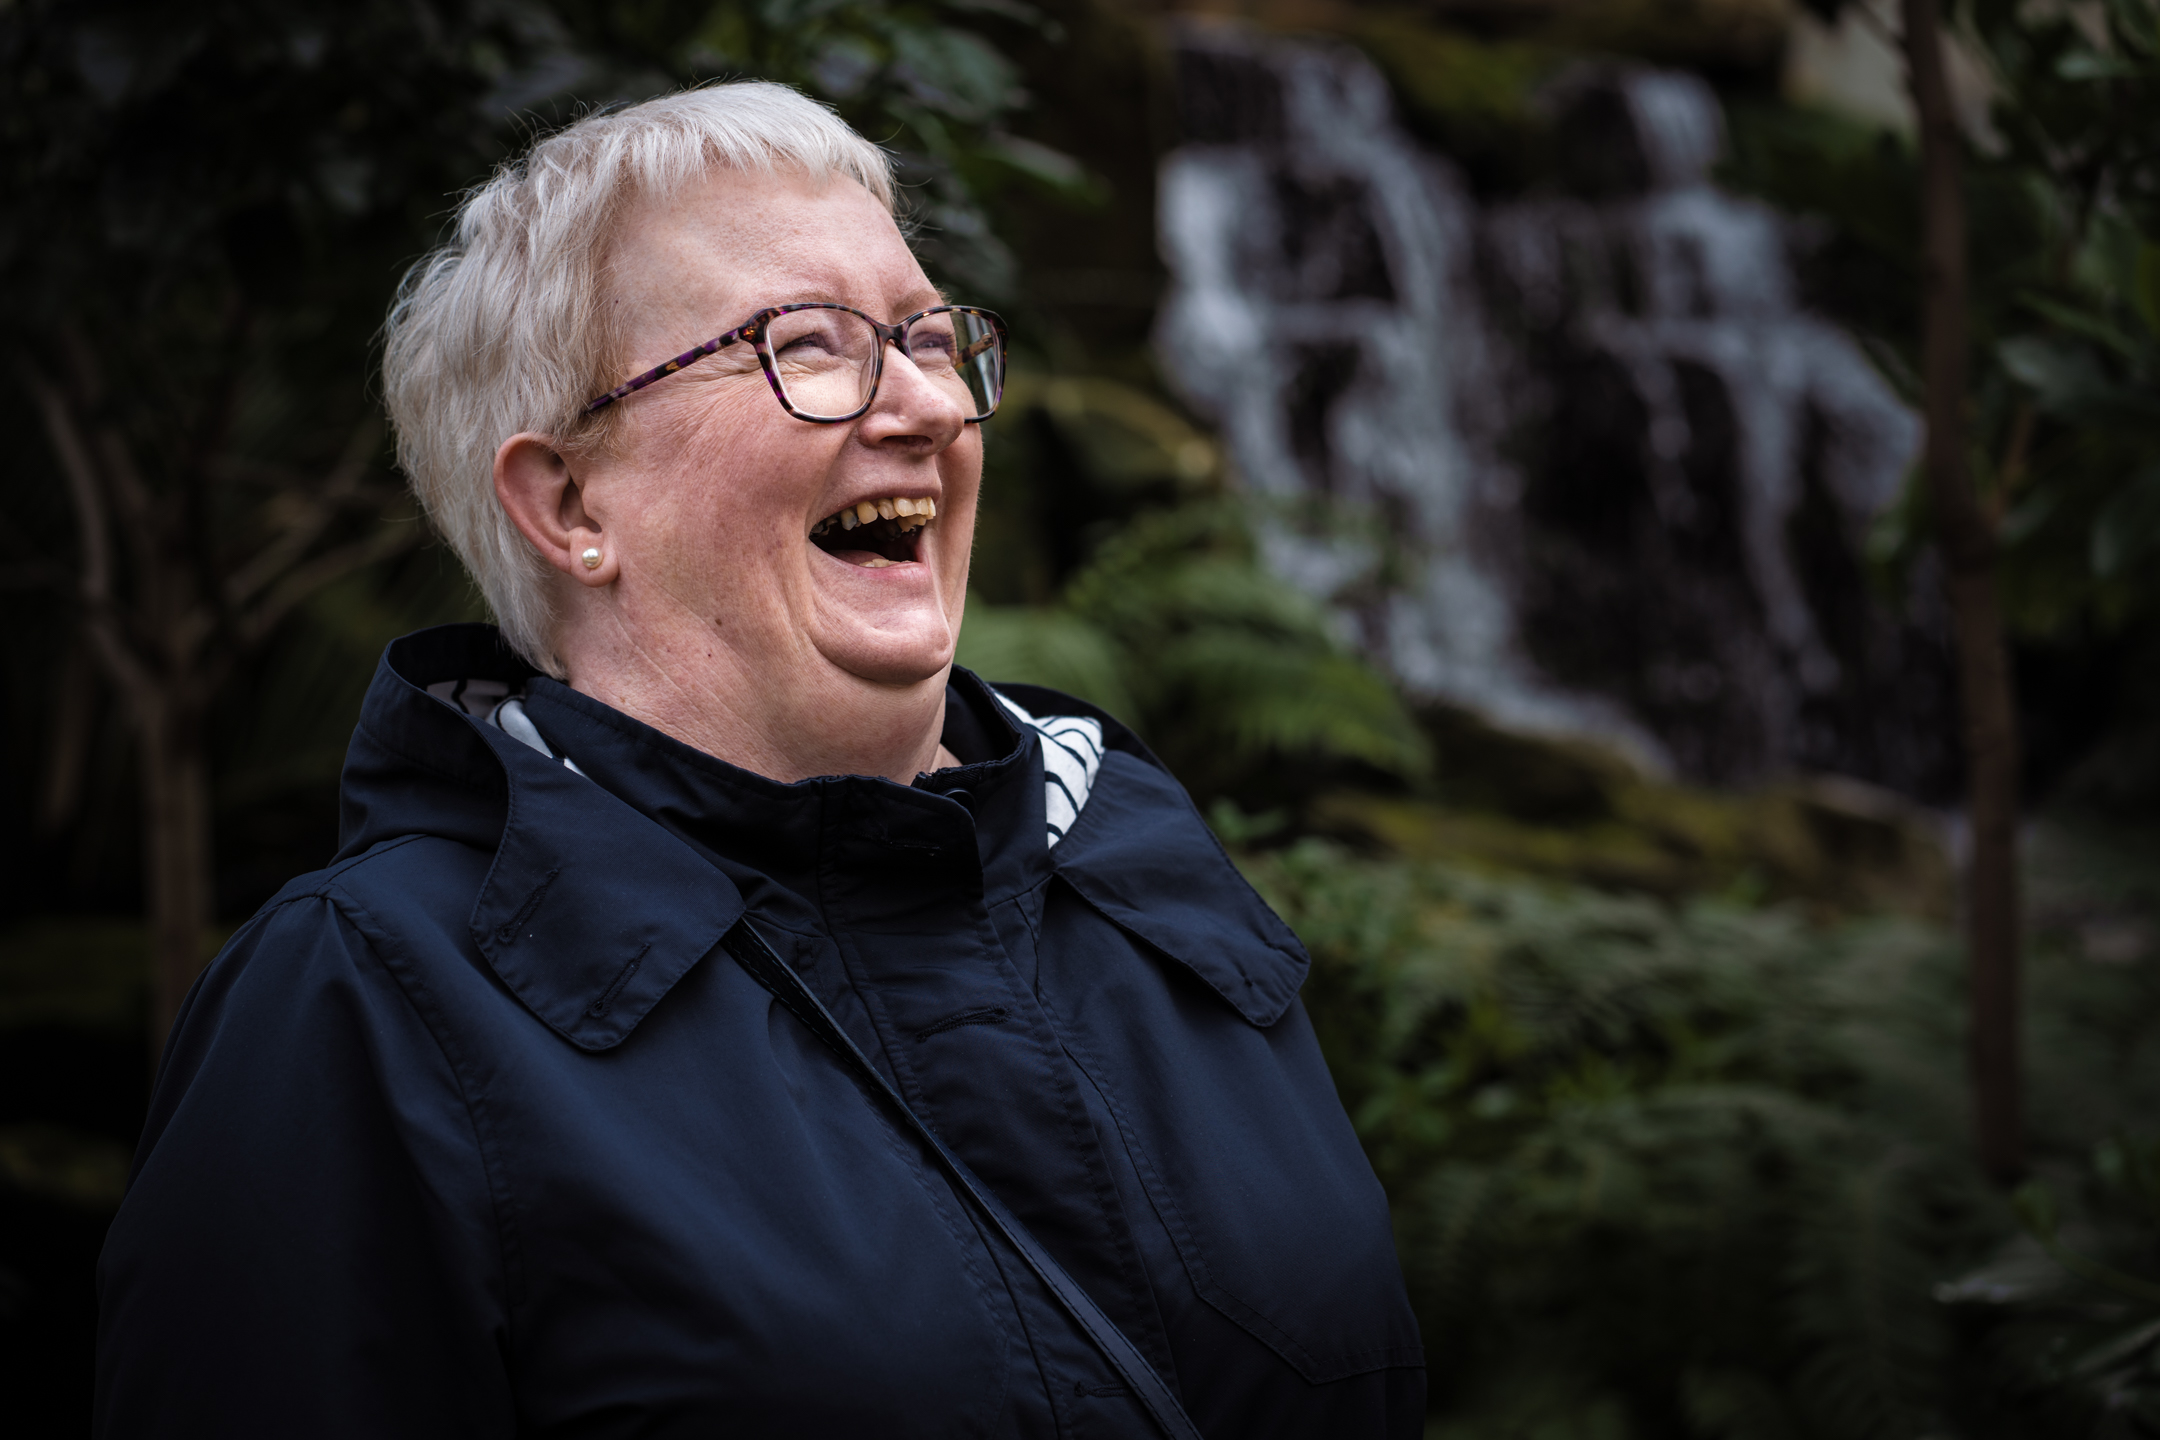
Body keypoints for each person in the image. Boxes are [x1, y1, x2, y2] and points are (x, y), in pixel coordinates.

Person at [94, 82, 1423, 1438]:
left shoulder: (1141, 878)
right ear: (567, 504)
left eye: (924, 337)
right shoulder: (362, 1003)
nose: (922, 405)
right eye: (808, 346)